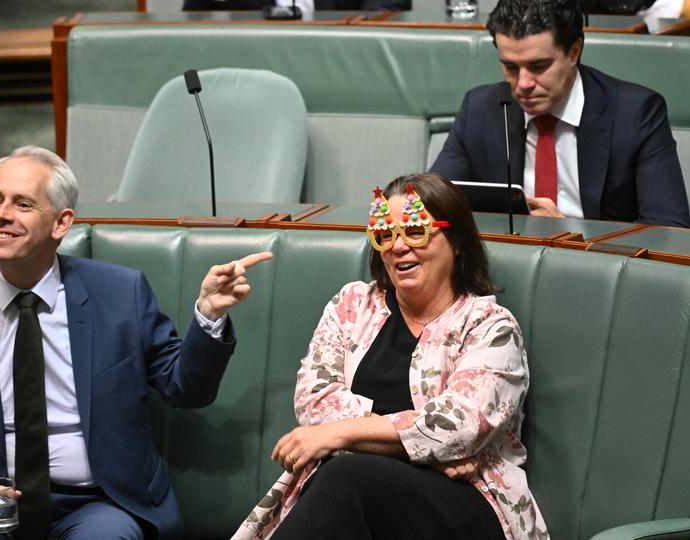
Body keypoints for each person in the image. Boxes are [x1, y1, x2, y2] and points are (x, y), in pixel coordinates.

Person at [0, 146, 273, 539]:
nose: (1, 214)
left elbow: (185, 388)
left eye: (22, 204)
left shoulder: (120, 293)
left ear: (61, 223)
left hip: (98, 504)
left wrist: (209, 315)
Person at [234, 173, 548, 540]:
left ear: (458, 241)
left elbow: (459, 423)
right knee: (343, 484)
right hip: (370, 498)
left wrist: (341, 435)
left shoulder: (490, 326)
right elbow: (314, 404)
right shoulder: (351, 305)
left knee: (344, 476)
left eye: (415, 230)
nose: (398, 247)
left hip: (467, 504)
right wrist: (430, 449)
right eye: (385, 234)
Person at [431, 0, 690, 228]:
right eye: (510, 66)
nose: (523, 83)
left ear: (574, 51)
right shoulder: (479, 108)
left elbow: (669, 229)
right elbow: (429, 204)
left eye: (539, 66)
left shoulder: (636, 113)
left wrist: (573, 234)